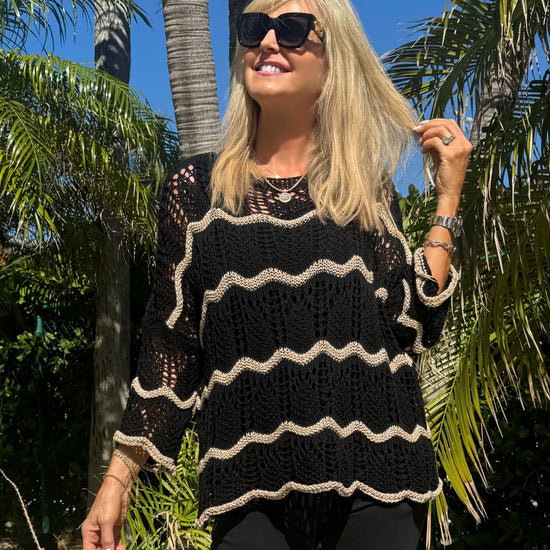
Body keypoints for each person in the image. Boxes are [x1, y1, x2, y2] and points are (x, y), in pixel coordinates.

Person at [82, 0, 472, 549]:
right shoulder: (196, 194)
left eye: (291, 29)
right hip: (249, 490)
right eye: (254, 28)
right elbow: (172, 344)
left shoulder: (363, 188)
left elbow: (412, 322)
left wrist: (447, 199)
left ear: (333, 58)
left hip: (378, 480)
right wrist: (117, 480)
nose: (267, 42)